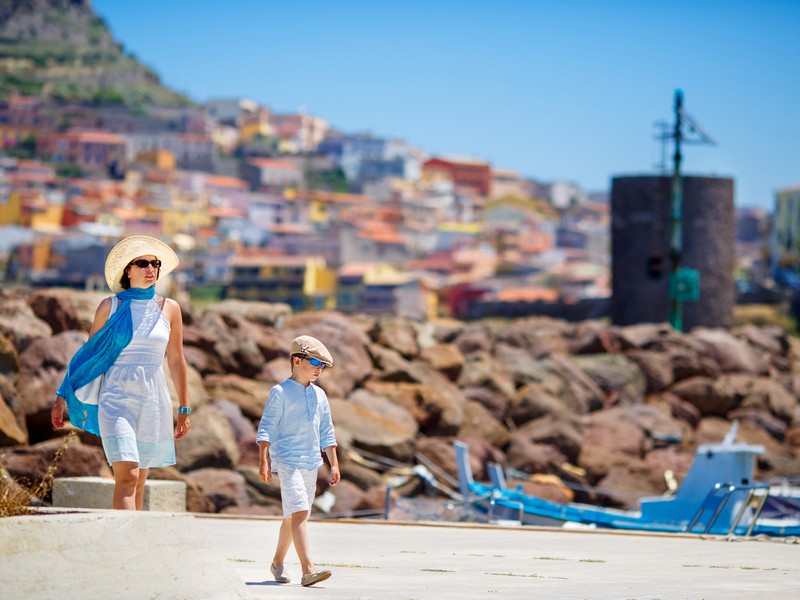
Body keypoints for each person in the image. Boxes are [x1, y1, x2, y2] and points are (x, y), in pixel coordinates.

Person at [51, 235, 191, 510]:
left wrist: (185, 408)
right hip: (116, 398)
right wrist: (62, 395)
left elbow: (176, 360)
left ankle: (133, 547)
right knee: (127, 476)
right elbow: (88, 358)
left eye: (155, 263)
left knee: (140, 480)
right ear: (128, 269)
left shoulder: (170, 308)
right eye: (142, 263)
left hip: (152, 399)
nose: (151, 269)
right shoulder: (109, 307)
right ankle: (123, 547)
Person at [257, 335, 340, 588]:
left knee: (292, 516)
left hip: (311, 462)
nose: (319, 368)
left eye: (322, 365)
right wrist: (264, 461)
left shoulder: (320, 395)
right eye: (315, 361)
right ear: (296, 360)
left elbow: (327, 431)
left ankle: (277, 563)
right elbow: (266, 428)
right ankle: (308, 570)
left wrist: (333, 464)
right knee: (300, 512)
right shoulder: (280, 392)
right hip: (288, 462)